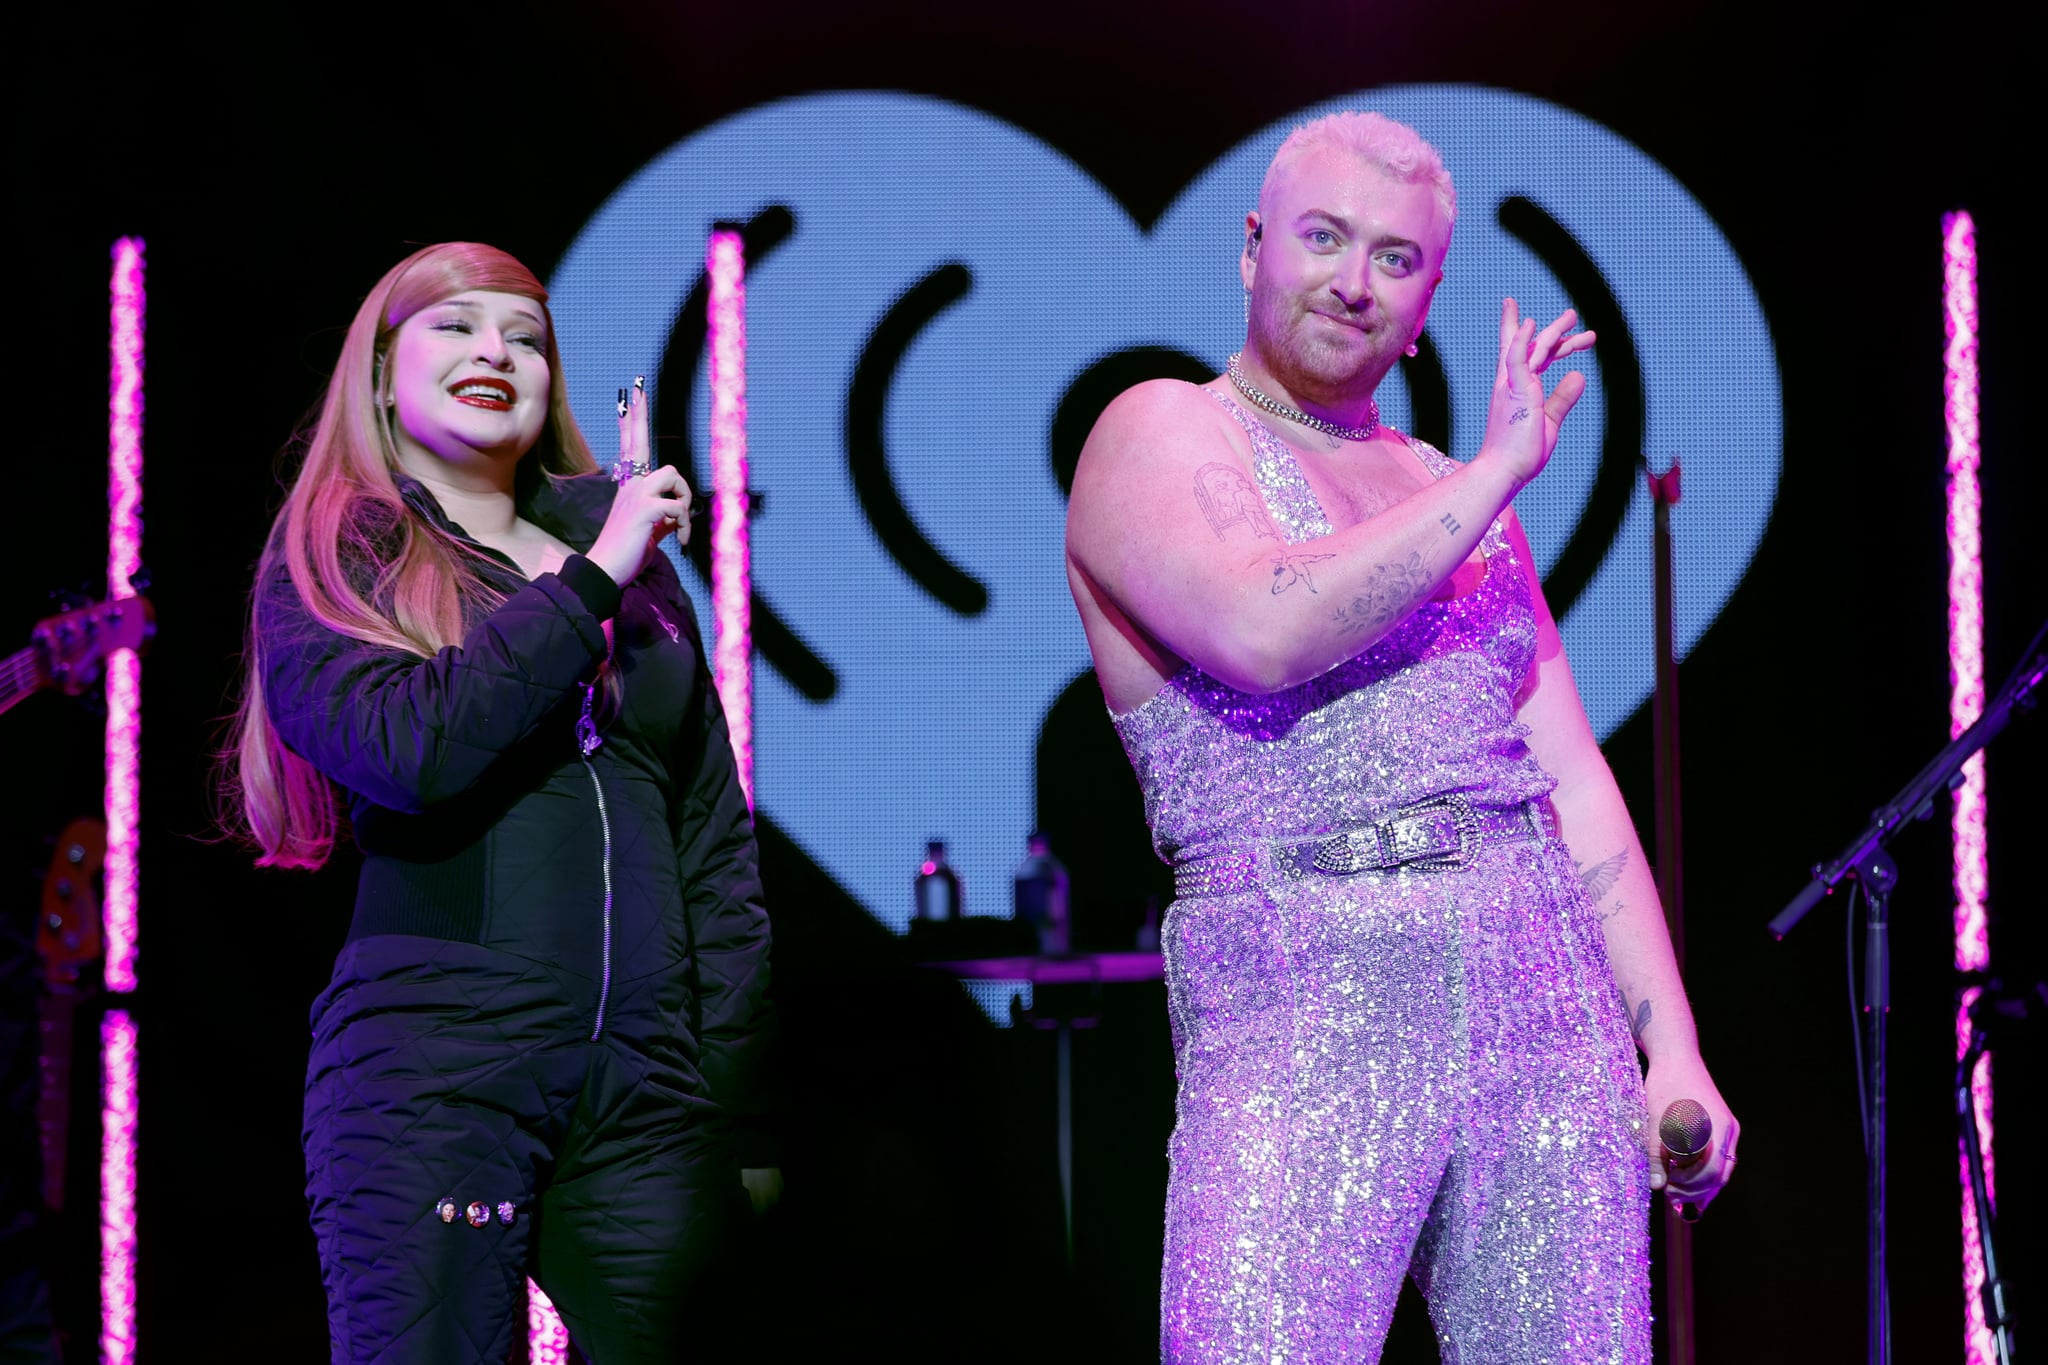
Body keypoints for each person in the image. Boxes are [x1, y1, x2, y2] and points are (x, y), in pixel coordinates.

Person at [1064, 113, 1737, 1362]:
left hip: (1537, 990)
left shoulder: (1446, 478)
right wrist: (1485, 479)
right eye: (1322, 238)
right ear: (1253, 248)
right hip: (1296, 990)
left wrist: (1673, 1045)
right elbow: (1264, 628)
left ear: (1425, 300)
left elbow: (1570, 778)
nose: (1351, 281)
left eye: (1394, 259)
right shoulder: (1160, 429)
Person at [223, 242, 778, 1363]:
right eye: (456, 326)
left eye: (524, 338)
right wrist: (589, 580)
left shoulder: (629, 565)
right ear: (381, 374)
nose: (495, 352)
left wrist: (721, 1088)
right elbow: (409, 750)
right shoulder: (342, 552)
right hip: (435, 1078)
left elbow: (711, 839)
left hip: (647, 1091)